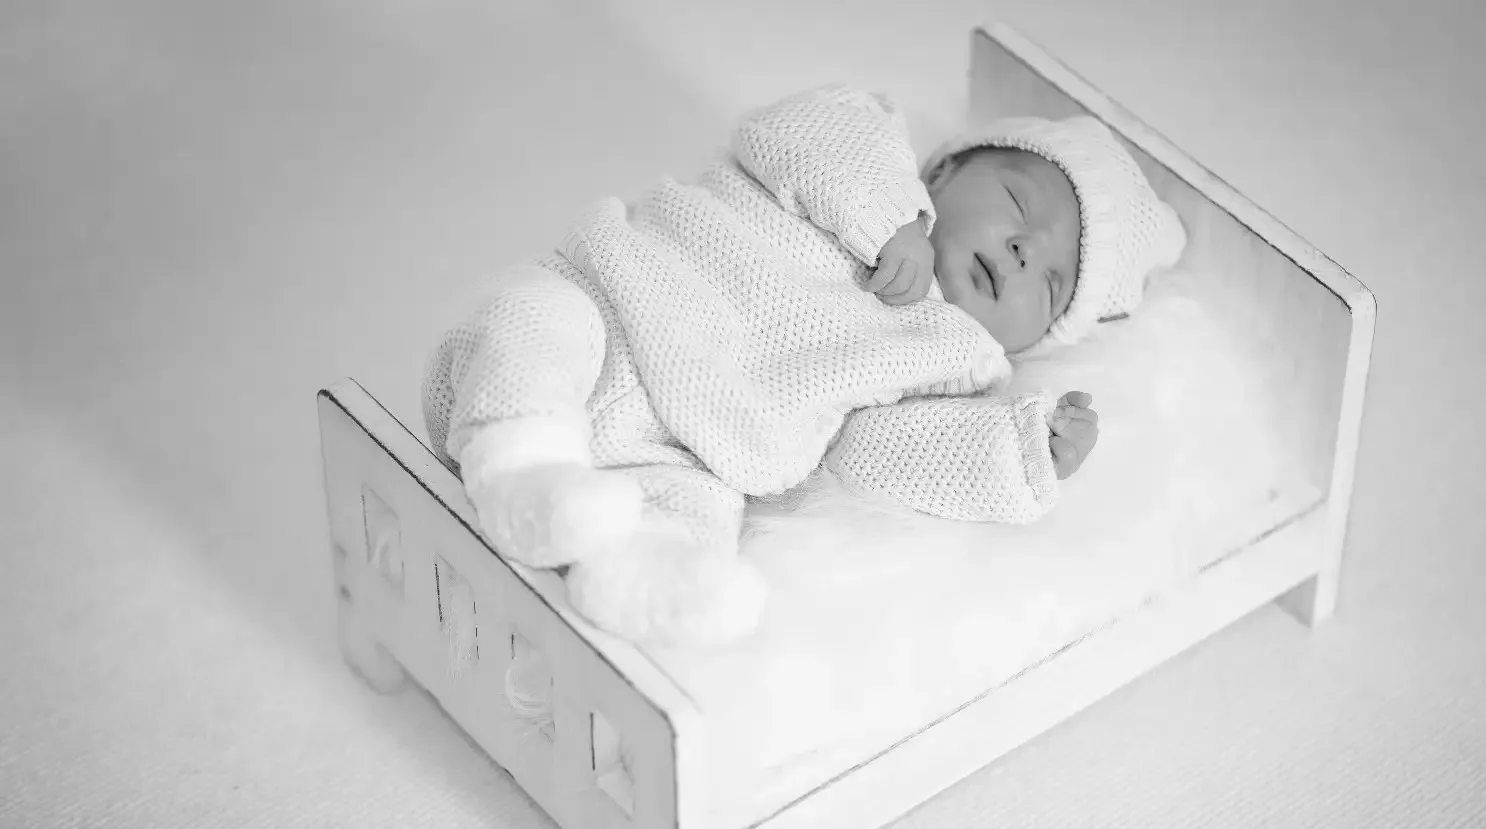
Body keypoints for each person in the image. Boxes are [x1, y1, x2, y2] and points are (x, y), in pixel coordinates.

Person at [421, 84, 1186, 646]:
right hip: (613, 305)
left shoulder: (954, 362)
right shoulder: (866, 159)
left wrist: (1021, 452)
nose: (1023, 253)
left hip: (686, 454)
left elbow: (883, 454)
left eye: (1050, 284)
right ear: (947, 172)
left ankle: (627, 577)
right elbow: (794, 130)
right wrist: (892, 215)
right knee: (531, 315)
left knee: (696, 522)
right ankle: (519, 464)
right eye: (1019, 203)